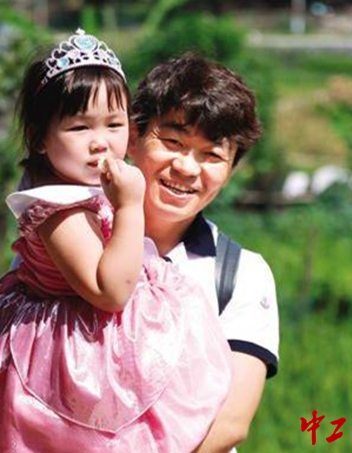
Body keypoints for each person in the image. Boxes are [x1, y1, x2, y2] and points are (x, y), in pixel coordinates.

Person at [0, 30, 233, 453]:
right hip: (69, 358)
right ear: (40, 138)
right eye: (79, 127)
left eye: (114, 125)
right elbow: (110, 292)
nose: (100, 143)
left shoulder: (84, 190)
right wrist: (129, 206)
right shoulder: (58, 208)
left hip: (104, 348)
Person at [129, 53, 280, 453]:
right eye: (174, 142)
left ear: (230, 170)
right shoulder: (71, 239)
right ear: (132, 137)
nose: (187, 167)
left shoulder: (242, 274)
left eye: (211, 155)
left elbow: (230, 423)